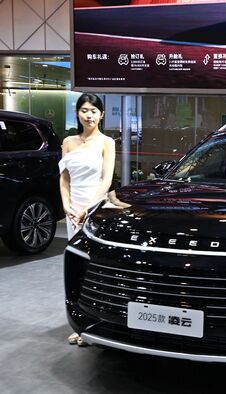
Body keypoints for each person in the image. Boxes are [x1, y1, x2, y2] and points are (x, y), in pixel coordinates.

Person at [59, 93, 115, 345]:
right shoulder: (68, 141)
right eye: (84, 110)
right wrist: (67, 207)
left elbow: (106, 180)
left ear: (101, 114)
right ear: (78, 113)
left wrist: (86, 209)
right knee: (76, 268)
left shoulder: (107, 142)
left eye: (93, 110)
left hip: (94, 209)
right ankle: (79, 323)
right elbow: (64, 178)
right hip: (72, 211)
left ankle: (94, 323)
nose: (89, 115)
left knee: (92, 268)